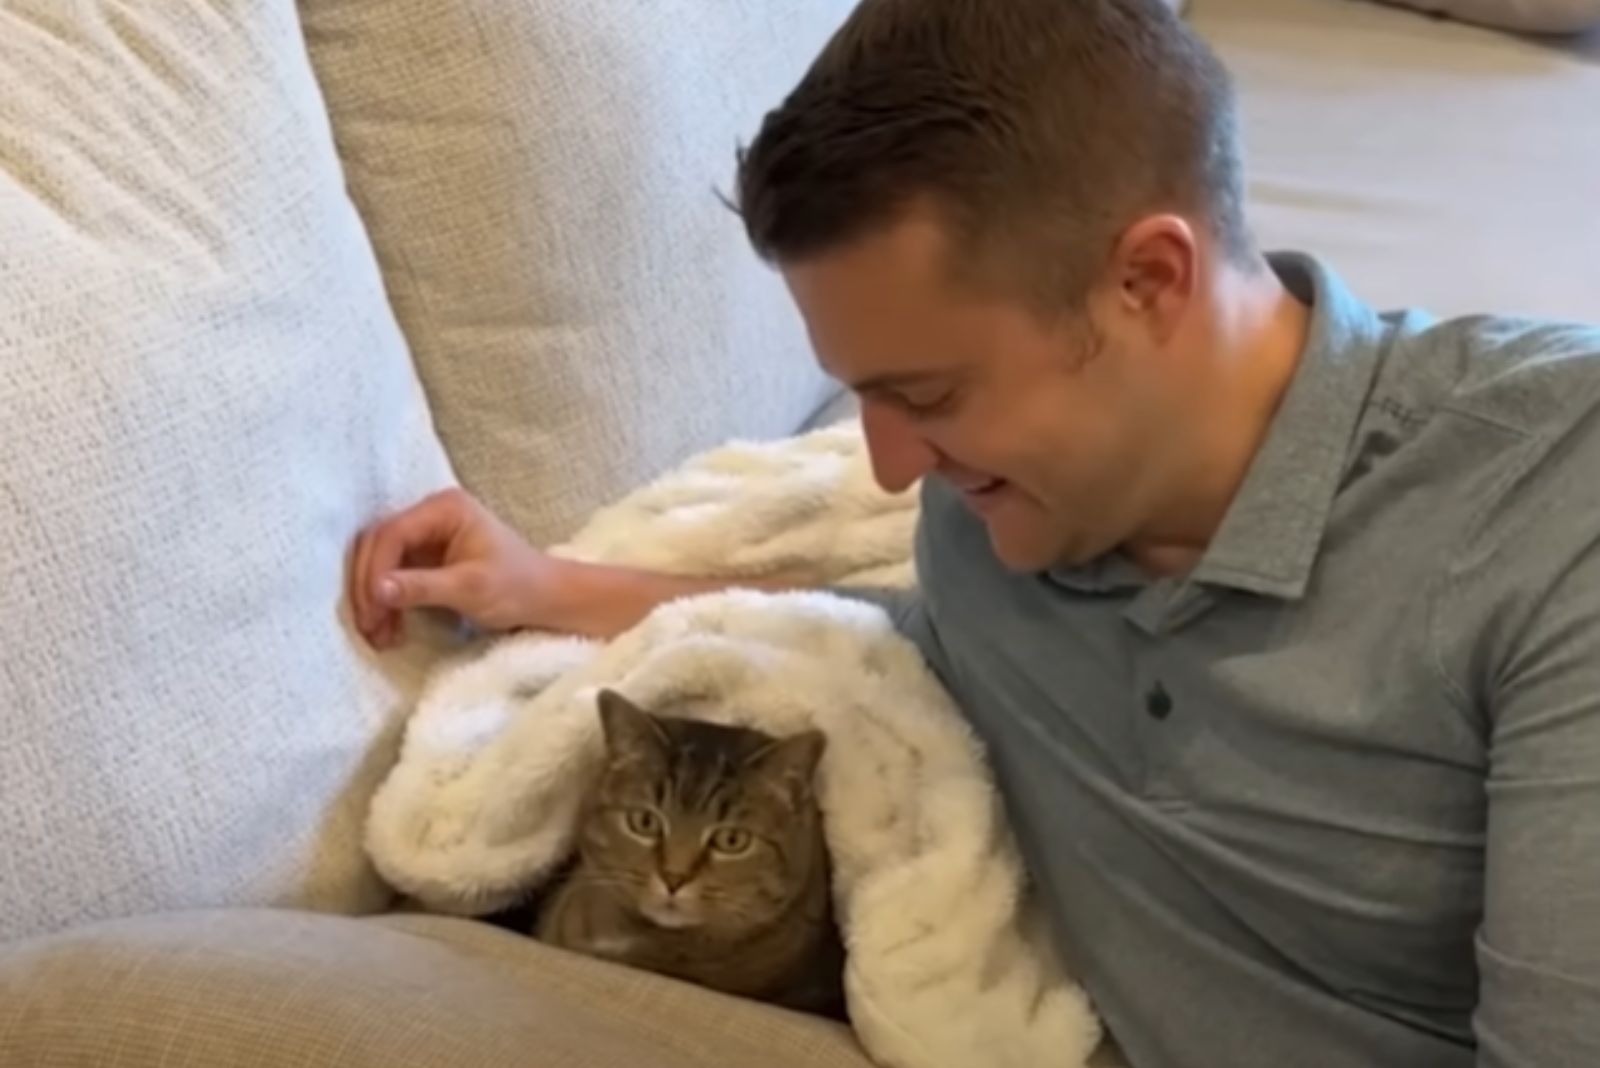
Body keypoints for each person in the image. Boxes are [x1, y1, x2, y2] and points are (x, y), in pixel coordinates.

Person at [348, 1, 1600, 1065]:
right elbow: (902, 640)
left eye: (930, 395)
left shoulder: (1549, 513)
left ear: (1149, 281)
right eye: (867, 395)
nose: (893, 470)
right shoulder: (995, 529)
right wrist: (548, 583)